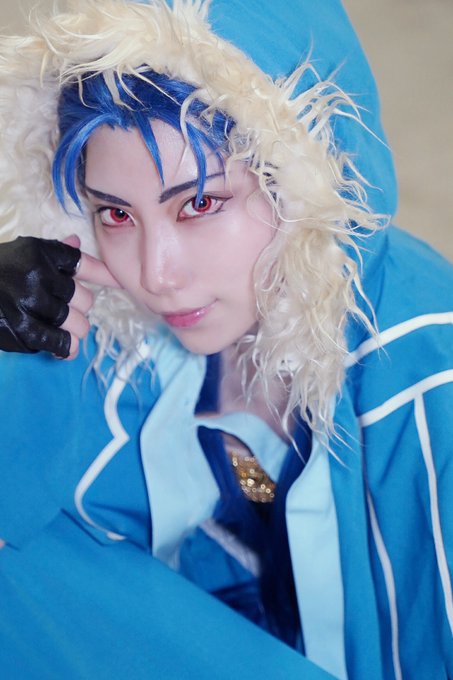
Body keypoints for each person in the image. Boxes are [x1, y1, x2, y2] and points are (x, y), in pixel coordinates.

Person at [0, 1, 452, 678]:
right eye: (115, 214)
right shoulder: (109, 335)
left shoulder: (429, 375)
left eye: (201, 203)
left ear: (305, 178)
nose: (156, 274)